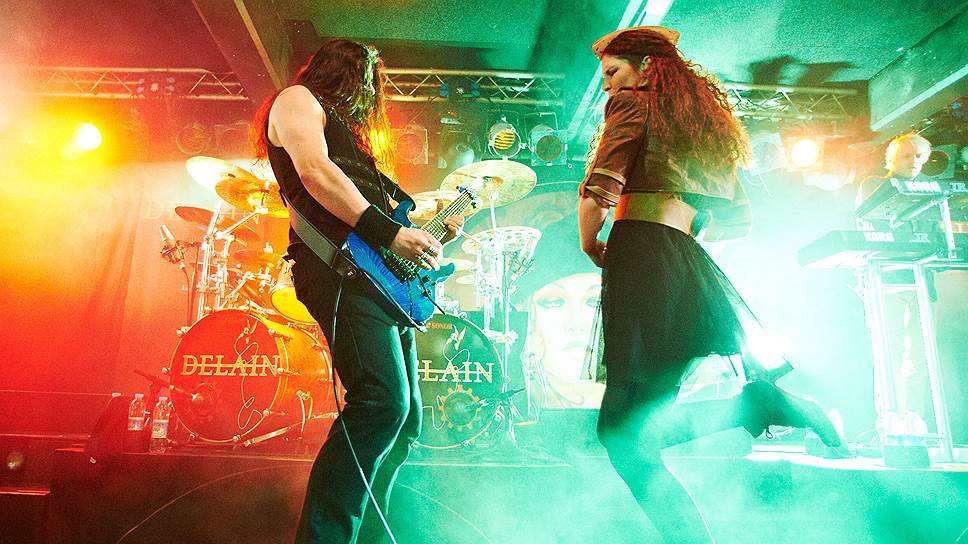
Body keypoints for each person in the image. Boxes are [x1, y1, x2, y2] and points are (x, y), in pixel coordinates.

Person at [576, 26, 842, 543]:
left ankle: (754, 408)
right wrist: (677, 237)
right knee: (631, 435)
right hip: (683, 262)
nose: (607, 86)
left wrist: (590, 242)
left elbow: (601, 187)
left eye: (612, 72)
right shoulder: (706, 126)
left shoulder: (632, 104)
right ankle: (756, 408)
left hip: (642, 257)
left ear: (645, 67)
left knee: (624, 436)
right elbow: (738, 221)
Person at [253, 39, 463, 544]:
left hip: (374, 277)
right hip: (337, 270)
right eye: (366, 76)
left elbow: (368, 217)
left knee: (405, 419)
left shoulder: (351, 141)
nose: (371, 90)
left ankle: (370, 536)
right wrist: (392, 234)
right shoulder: (297, 99)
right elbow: (315, 172)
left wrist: (419, 234)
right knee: (380, 402)